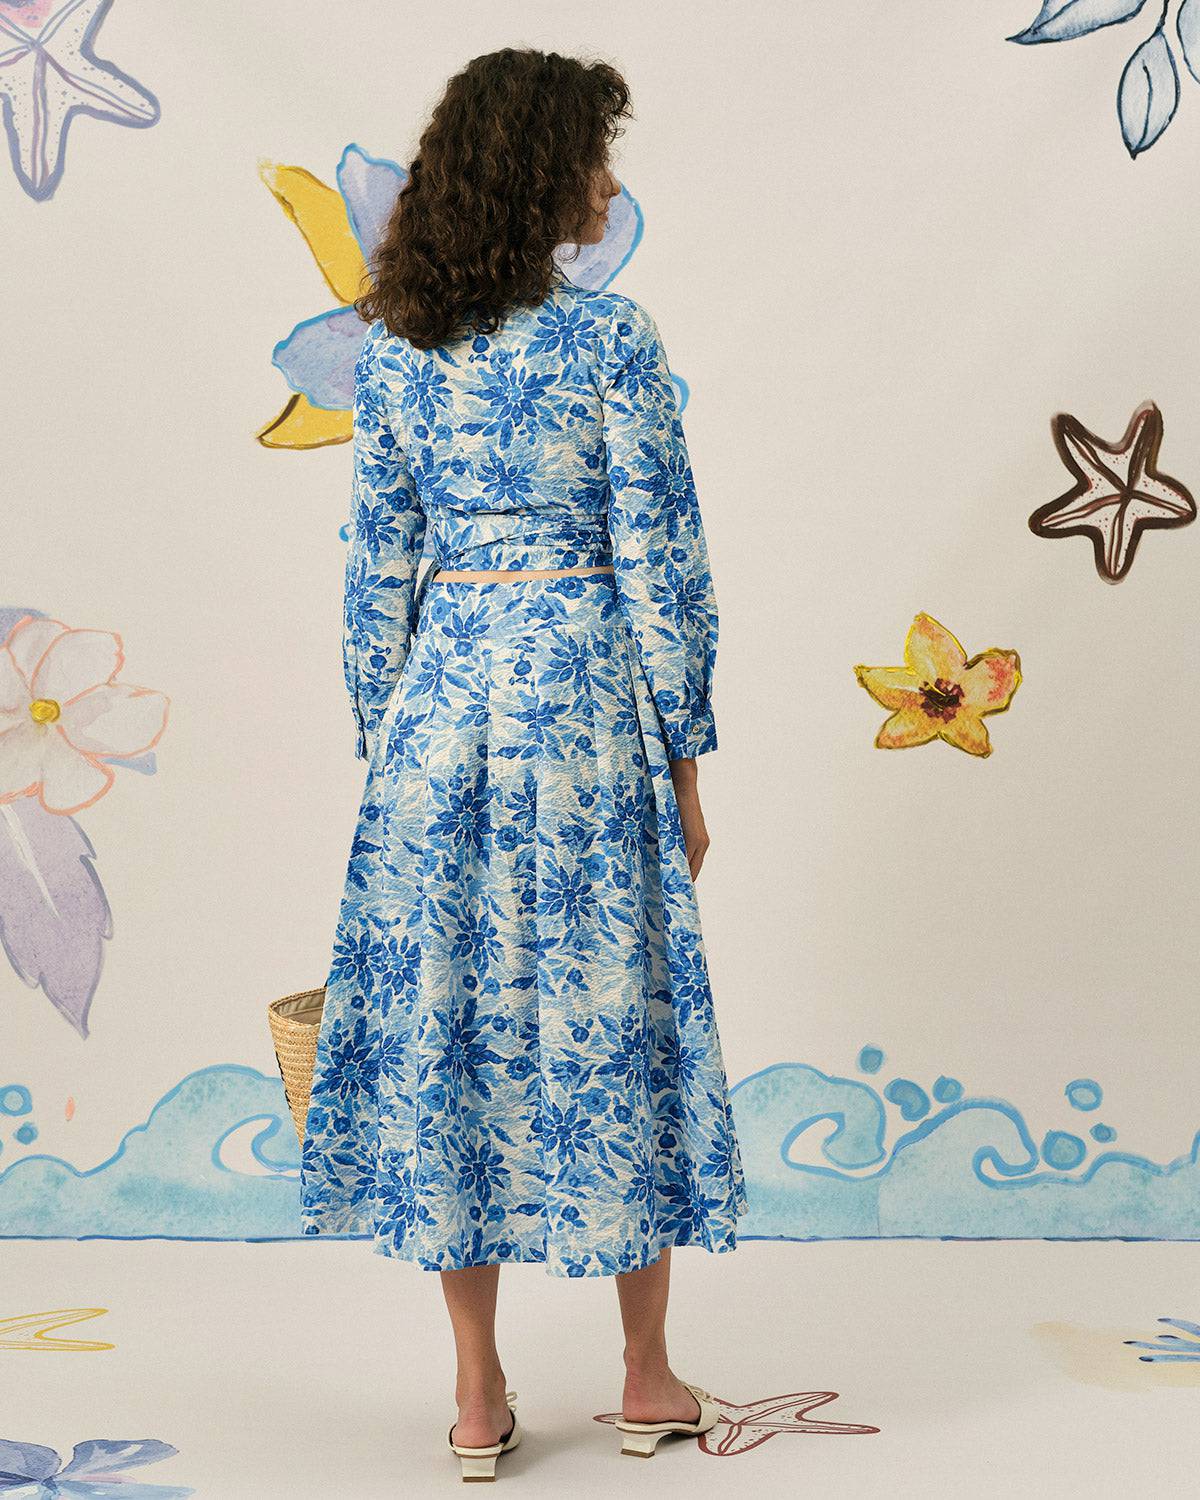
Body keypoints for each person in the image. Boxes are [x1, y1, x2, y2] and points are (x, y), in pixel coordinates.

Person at [298, 46, 748, 1479]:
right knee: (616, 1012)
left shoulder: (397, 351)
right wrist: (686, 758)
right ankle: (646, 1374)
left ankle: (479, 1395)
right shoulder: (611, 342)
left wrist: (386, 742)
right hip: (583, 715)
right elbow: (662, 560)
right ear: (541, 172)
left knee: (450, 1026)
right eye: (594, 156)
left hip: (441, 718)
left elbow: (377, 572)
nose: (611, 183)